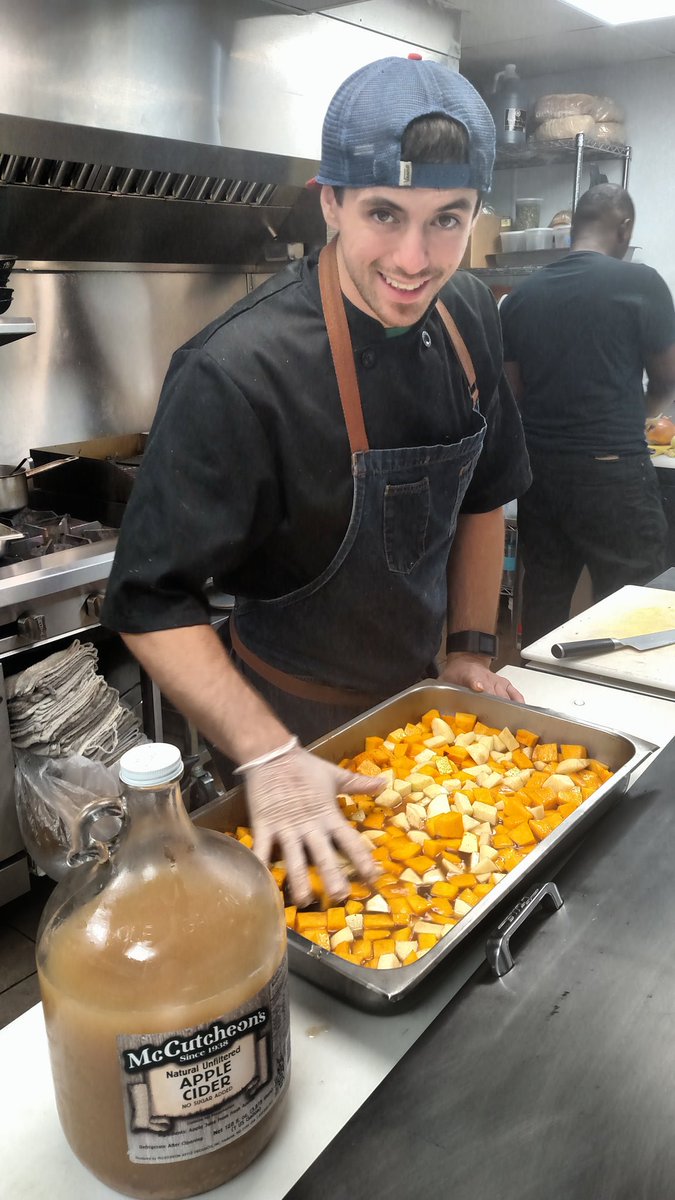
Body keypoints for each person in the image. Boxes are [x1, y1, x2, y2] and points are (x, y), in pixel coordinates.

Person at [102, 55, 531, 904]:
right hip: (283, 728)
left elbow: (483, 491)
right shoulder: (237, 371)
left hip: (420, 706)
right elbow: (149, 601)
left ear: (477, 212)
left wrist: (470, 650)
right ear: (327, 199)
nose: (414, 259)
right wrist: (265, 754)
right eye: (383, 214)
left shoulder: (468, 312)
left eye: (447, 219)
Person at [500, 183, 675, 650]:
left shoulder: (520, 297)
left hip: (539, 476)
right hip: (613, 472)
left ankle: (536, 704)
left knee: (544, 604)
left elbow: (514, 393)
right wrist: (635, 415)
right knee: (635, 610)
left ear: (573, 229)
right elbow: (666, 379)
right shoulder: (642, 283)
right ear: (624, 229)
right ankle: (616, 715)